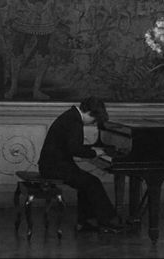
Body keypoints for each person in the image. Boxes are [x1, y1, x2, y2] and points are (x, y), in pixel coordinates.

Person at [38, 96, 123, 233]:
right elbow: (75, 149)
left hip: (53, 164)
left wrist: (93, 151)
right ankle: (109, 221)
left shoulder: (71, 116)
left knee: (87, 183)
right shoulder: (74, 121)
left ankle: (86, 221)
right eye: (94, 120)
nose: (92, 123)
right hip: (55, 167)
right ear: (90, 113)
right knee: (92, 182)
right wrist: (96, 153)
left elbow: (72, 146)